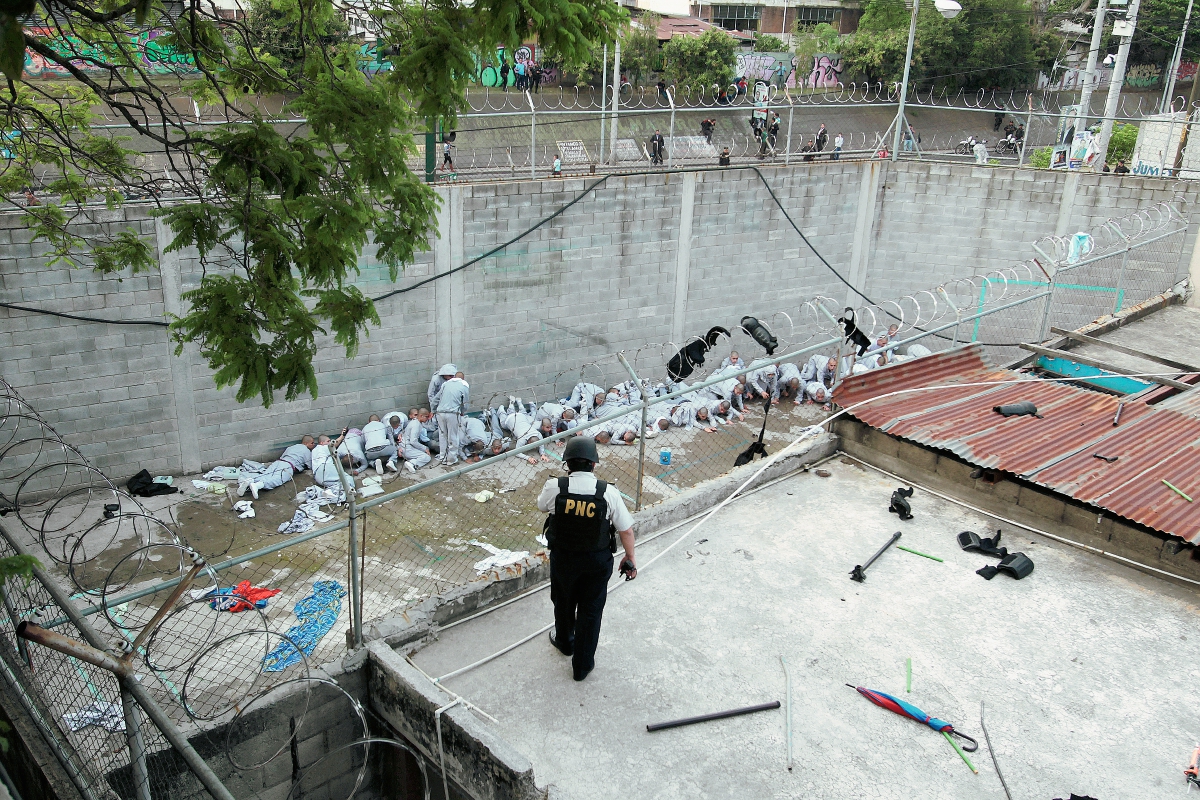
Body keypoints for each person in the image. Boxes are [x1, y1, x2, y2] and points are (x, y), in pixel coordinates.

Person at [538, 436, 636, 682]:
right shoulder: (608, 492)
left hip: (564, 559)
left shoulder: (555, 487)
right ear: (594, 464)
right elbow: (625, 530)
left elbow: (542, 507)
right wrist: (630, 557)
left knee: (563, 601)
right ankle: (581, 667)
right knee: (590, 612)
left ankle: (565, 642)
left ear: (567, 464)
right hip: (596, 562)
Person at [238, 436, 315, 498]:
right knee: (277, 479)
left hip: (278, 462)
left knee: (266, 475)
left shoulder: (291, 447)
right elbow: (309, 465)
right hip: (288, 466)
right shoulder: (306, 450)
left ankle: (250, 481)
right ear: (305, 443)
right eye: (312, 443)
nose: (314, 444)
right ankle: (257, 485)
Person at [436, 372, 470, 466]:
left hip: (440, 412)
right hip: (453, 413)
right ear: (463, 378)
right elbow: (465, 403)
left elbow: (437, 398)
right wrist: (463, 411)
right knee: (453, 436)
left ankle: (442, 457)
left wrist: (434, 409)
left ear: (454, 377)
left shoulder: (446, 384)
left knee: (442, 435)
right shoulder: (464, 385)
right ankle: (451, 459)